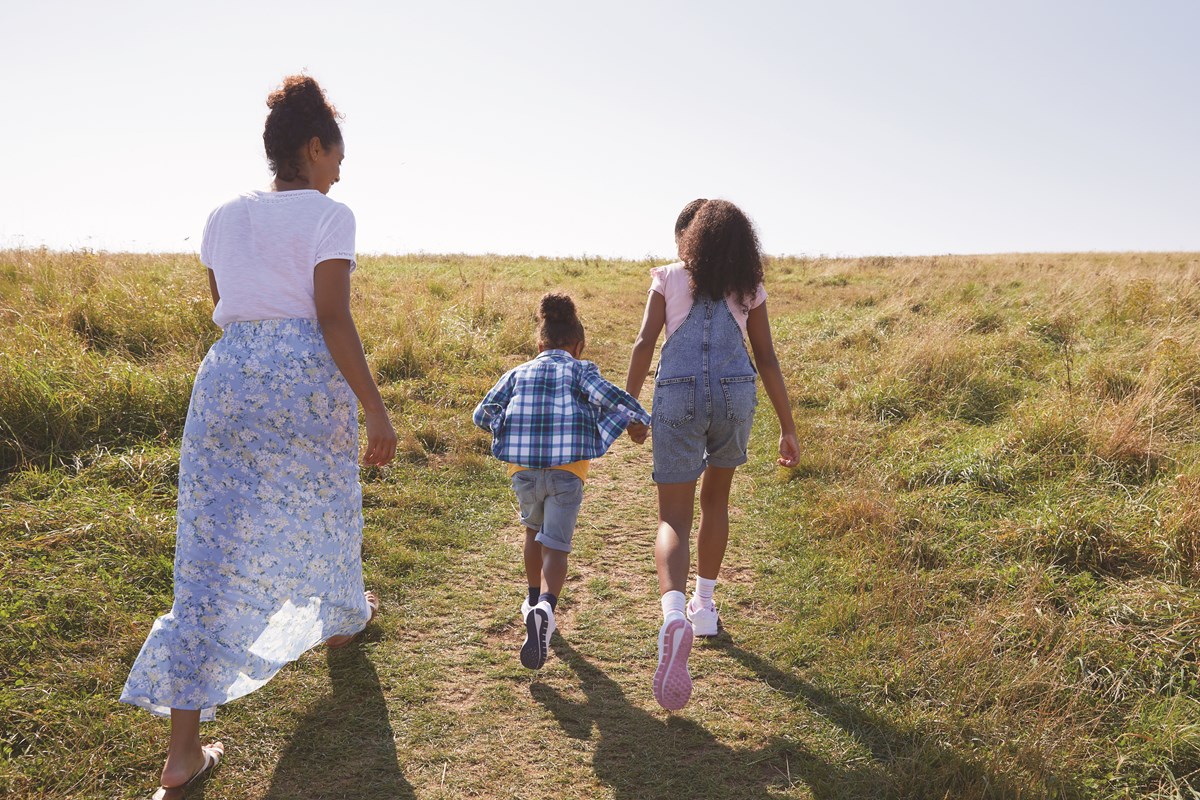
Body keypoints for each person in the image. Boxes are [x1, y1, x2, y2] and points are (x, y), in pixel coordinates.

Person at [120, 75, 397, 797]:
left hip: (229, 379)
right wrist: (375, 408)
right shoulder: (330, 215)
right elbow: (332, 317)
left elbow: (228, 306)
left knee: (208, 550)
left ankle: (182, 752)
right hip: (305, 376)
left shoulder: (220, 215)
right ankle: (341, 620)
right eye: (337, 153)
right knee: (325, 504)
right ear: (313, 147)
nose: (341, 168)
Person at [624, 199, 799, 711]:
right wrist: (788, 427)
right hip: (734, 394)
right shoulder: (748, 288)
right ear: (742, 242)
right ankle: (705, 607)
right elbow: (765, 356)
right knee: (716, 504)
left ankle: (673, 613)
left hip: (676, 394)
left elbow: (642, 343)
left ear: (692, 237)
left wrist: (630, 408)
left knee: (672, 515)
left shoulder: (669, 278)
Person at [474, 293, 651, 669]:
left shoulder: (516, 372)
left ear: (539, 345)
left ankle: (530, 598)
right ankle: (547, 610)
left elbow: (482, 412)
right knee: (556, 545)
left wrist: (506, 430)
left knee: (531, 534)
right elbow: (610, 398)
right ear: (579, 345)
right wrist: (639, 421)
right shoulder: (581, 369)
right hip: (568, 473)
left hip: (522, 472)